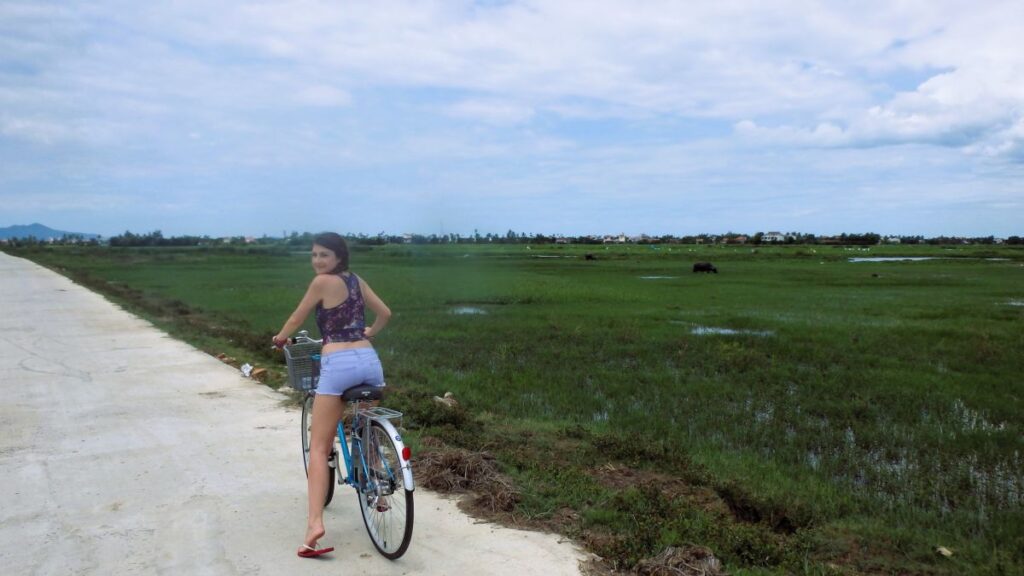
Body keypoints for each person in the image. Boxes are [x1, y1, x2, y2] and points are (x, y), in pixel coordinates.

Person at [272, 232, 392, 558]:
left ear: (338, 257)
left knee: (320, 446)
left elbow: (297, 318)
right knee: (366, 429)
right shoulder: (356, 281)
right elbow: (386, 313)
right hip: (370, 361)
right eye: (313, 255)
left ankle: (314, 525)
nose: (317, 261)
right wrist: (368, 332)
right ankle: (378, 492)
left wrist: (281, 338)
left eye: (324, 255)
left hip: (338, 364)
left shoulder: (322, 283)